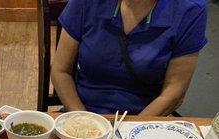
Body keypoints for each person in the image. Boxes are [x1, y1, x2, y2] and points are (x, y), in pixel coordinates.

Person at [51, 0, 208, 116]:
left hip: (145, 119)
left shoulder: (190, 9)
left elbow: (173, 92)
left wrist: (131, 132)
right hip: (82, 112)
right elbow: (60, 71)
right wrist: (84, 122)